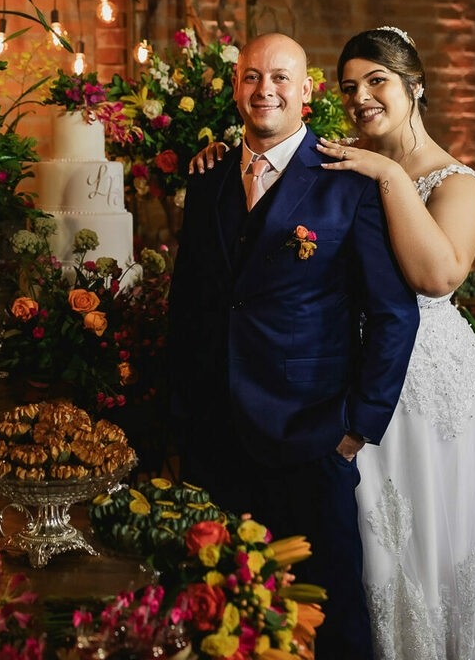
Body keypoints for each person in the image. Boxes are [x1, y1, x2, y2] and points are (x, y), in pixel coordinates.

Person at [191, 26, 475, 659]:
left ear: (414, 87)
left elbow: (437, 276)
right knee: (367, 532)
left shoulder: (453, 181)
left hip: (426, 371)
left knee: (433, 527)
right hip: (348, 369)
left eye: (378, 81)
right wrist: (220, 157)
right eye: (350, 87)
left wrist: (390, 175)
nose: (362, 97)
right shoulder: (342, 163)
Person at [168, 32, 421, 660]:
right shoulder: (207, 182)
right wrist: (177, 418)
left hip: (311, 435)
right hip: (213, 437)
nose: (265, 90)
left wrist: (356, 429)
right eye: (251, 77)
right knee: (219, 610)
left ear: (306, 91)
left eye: (281, 77)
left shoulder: (349, 182)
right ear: (235, 88)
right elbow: (188, 309)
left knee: (330, 614)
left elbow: (394, 315)